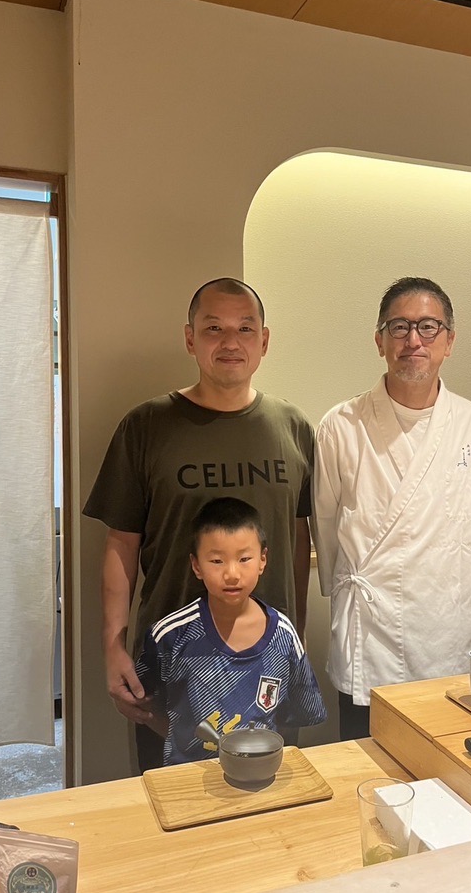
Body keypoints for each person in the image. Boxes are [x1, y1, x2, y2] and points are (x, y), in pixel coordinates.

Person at [83, 278, 314, 770]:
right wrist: (113, 647)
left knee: (270, 804)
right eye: (214, 328)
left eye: (245, 329)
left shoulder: (293, 428)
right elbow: (121, 545)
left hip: (268, 669)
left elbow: (298, 539)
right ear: (190, 338)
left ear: (264, 341)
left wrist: (297, 634)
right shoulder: (146, 426)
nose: (230, 342)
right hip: (174, 668)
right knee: (175, 804)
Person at [313, 276, 471, 741]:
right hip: (371, 635)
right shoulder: (340, 426)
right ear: (379, 341)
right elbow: (324, 524)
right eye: (399, 327)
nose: (413, 340)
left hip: (450, 630)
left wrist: (468, 595)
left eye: (428, 327)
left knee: (451, 765)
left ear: (449, 341)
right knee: (367, 769)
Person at [135, 498, 326, 764]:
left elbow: (298, 711)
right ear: (196, 565)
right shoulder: (170, 635)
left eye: (244, 559)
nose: (232, 574)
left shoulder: (283, 635)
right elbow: (145, 704)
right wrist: (183, 741)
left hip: (261, 771)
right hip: (188, 774)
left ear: (262, 560)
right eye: (217, 561)